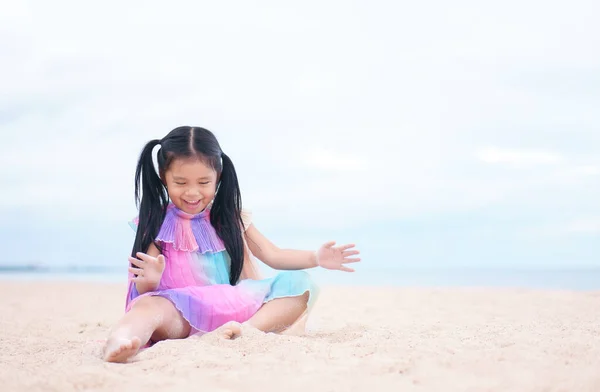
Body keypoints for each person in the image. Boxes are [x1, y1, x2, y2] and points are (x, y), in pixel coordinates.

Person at [103, 126, 361, 363]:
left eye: (204, 182)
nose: (192, 193)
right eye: (180, 183)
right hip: (178, 311)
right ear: (164, 177)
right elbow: (144, 288)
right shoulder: (156, 220)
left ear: (219, 176)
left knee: (302, 284)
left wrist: (316, 257)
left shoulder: (231, 217)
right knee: (148, 307)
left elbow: (273, 255)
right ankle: (120, 340)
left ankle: (246, 332)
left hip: (228, 308)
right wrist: (150, 279)